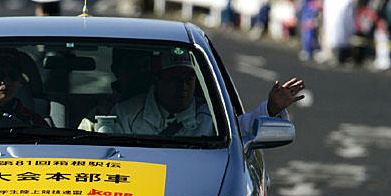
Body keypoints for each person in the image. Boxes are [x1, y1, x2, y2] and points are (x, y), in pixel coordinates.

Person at [107, 49, 304, 137]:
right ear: (157, 80)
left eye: (188, 79)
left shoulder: (213, 117)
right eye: (174, 79)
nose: (183, 86)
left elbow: (244, 130)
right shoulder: (125, 114)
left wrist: (271, 109)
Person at [321, 0, 355, 64]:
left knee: (334, 40)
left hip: (331, 23)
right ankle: (340, 57)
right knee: (342, 40)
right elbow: (350, 14)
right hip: (343, 23)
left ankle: (336, 57)